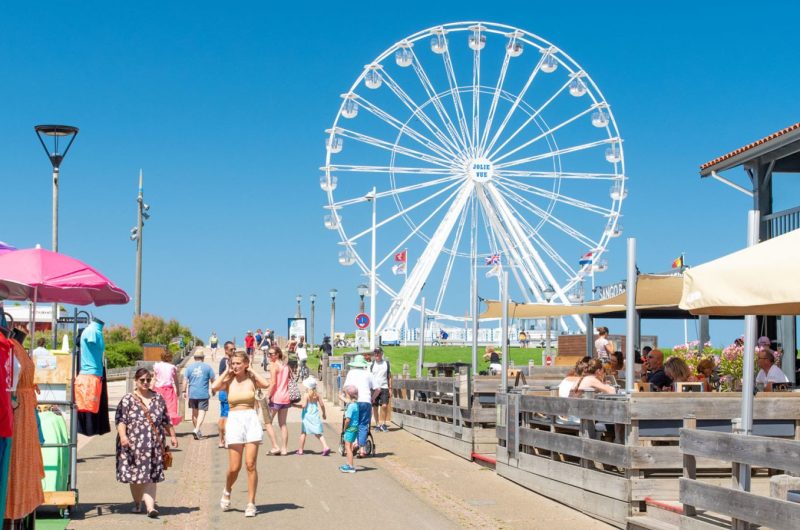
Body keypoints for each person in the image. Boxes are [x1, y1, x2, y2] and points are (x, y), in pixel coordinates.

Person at [212, 350, 270, 518]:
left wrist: (251, 370)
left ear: (245, 363)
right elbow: (215, 387)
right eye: (233, 363)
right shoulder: (229, 380)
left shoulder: (251, 379)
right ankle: (227, 490)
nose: (235, 366)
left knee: (250, 464)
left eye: (238, 363)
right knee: (234, 467)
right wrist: (226, 372)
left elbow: (265, 384)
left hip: (250, 418)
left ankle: (251, 503)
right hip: (235, 419)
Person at [115, 368, 178, 518]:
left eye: (148, 380)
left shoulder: (158, 398)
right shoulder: (127, 399)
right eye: (142, 380)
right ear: (135, 381)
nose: (145, 383)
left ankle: (150, 508)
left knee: (150, 476)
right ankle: (137, 503)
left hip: (153, 445)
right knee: (136, 477)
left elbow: (165, 420)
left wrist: (173, 436)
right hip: (132, 446)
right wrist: (123, 437)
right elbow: (121, 420)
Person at [341, 354, 373, 457]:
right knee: (363, 425)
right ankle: (362, 449)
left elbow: (345, 388)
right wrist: (372, 398)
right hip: (366, 401)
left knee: (353, 423)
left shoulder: (351, 373)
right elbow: (377, 388)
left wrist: (346, 398)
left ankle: (353, 443)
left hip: (354, 401)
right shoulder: (368, 373)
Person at [182, 350, 216, 440]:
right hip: (203, 394)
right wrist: (214, 389)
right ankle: (196, 429)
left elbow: (185, 380)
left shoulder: (189, 368)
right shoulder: (208, 367)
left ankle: (197, 431)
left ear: (194, 358)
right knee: (202, 411)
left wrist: (183, 391)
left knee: (194, 413)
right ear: (203, 358)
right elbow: (213, 380)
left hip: (192, 394)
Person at [264, 346, 291, 455]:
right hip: (285, 397)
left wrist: (267, 395)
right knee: (283, 424)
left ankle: (275, 446)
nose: (270, 356)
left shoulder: (273, 366)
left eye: (272, 354)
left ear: (278, 354)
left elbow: (273, 383)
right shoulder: (286, 366)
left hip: (276, 397)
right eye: (268, 354)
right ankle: (284, 449)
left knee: (268, 422)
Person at [295, 377, 330, 455]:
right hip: (315, 416)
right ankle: (325, 446)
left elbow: (303, 406)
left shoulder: (306, 395)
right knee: (318, 433)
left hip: (307, 417)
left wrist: (294, 405)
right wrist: (324, 413)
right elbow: (322, 405)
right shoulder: (317, 395)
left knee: (303, 433)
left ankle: (300, 450)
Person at [152, 350, 181, 428]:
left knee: (158, 407)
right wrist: (178, 390)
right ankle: (168, 425)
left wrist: (150, 388)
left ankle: (159, 425)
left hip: (158, 389)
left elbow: (154, 378)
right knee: (170, 408)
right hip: (169, 390)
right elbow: (176, 380)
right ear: (170, 358)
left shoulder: (157, 366)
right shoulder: (172, 367)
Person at [370, 348, 392, 432]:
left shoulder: (386, 363)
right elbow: (369, 377)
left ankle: (383, 423)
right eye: (375, 353)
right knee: (375, 407)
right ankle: (377, 424)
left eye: (378, 353)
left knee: (384, 405)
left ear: (381, 353)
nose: (377, 354)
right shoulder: (372, 365)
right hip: (374, 388)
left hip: (384, 387)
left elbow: (389, 377)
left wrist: (390, 388)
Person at [217, 341, 235, 448]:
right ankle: (226, 440)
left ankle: (221, 440)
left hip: (223, 390)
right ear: (226, 350)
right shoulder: (227, 361)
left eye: (234, 349)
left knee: (223, 415)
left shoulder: (223, 361)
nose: (233, 351)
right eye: (231, 349)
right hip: (226, 390)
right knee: (227, 416)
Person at [339, 385, 359, 473]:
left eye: (346, 393)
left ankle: (351, 466)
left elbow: (347, 420)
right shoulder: (355, 404)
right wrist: (341, 397)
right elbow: (348, 401)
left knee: (348, 447)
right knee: (349, 446)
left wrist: (344, 429)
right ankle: (348, 463)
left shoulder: (350, 407)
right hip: (355, 428)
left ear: (348, 395)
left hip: (350, 428)